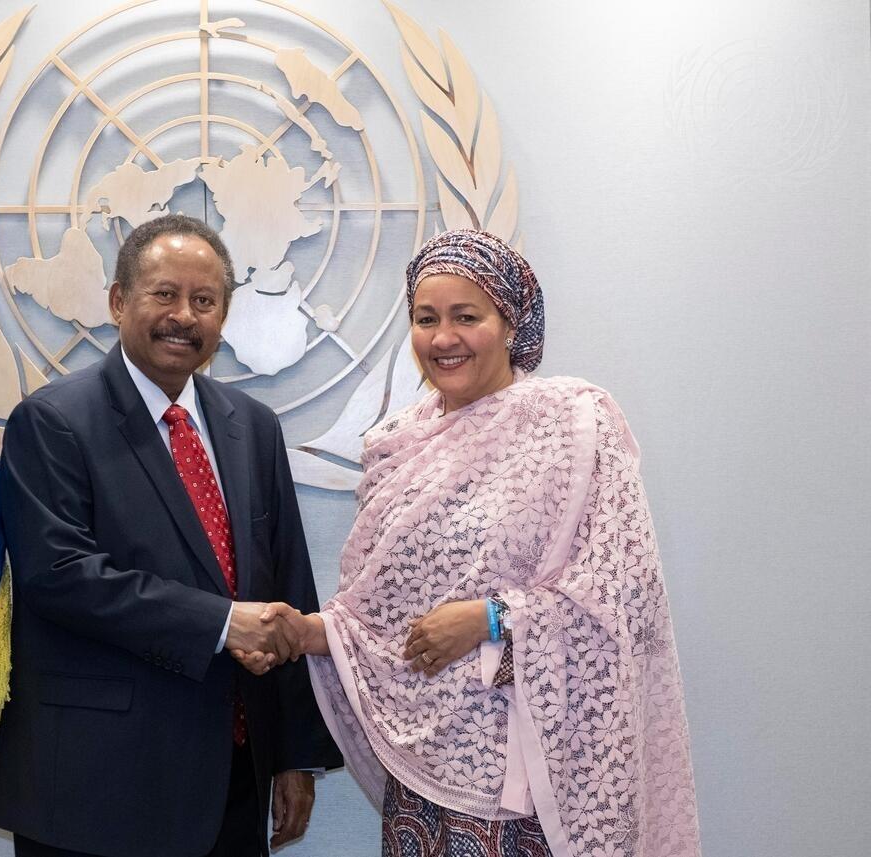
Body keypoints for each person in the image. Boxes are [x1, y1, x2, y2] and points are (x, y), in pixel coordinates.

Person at [242, 230, 700, 857]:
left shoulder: (572, 424)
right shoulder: (396, 443)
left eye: (466, 316)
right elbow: (378, 622)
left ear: (510, 324)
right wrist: (303, 632)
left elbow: (619, 596)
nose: (443, 338)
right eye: (426, 319)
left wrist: (491, 618)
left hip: (530, 784)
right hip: (421, 783)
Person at [0, 214, 342, 857]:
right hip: (95, 788)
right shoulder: (52, 421)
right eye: (164, 294)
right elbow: (58, 575)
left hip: (233, 781)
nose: (184, 316)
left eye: (204, 300)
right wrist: (222, 623)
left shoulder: (253, 427)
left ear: (223, 317)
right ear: (118, 301)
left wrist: (294, 754)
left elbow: (287, 586)